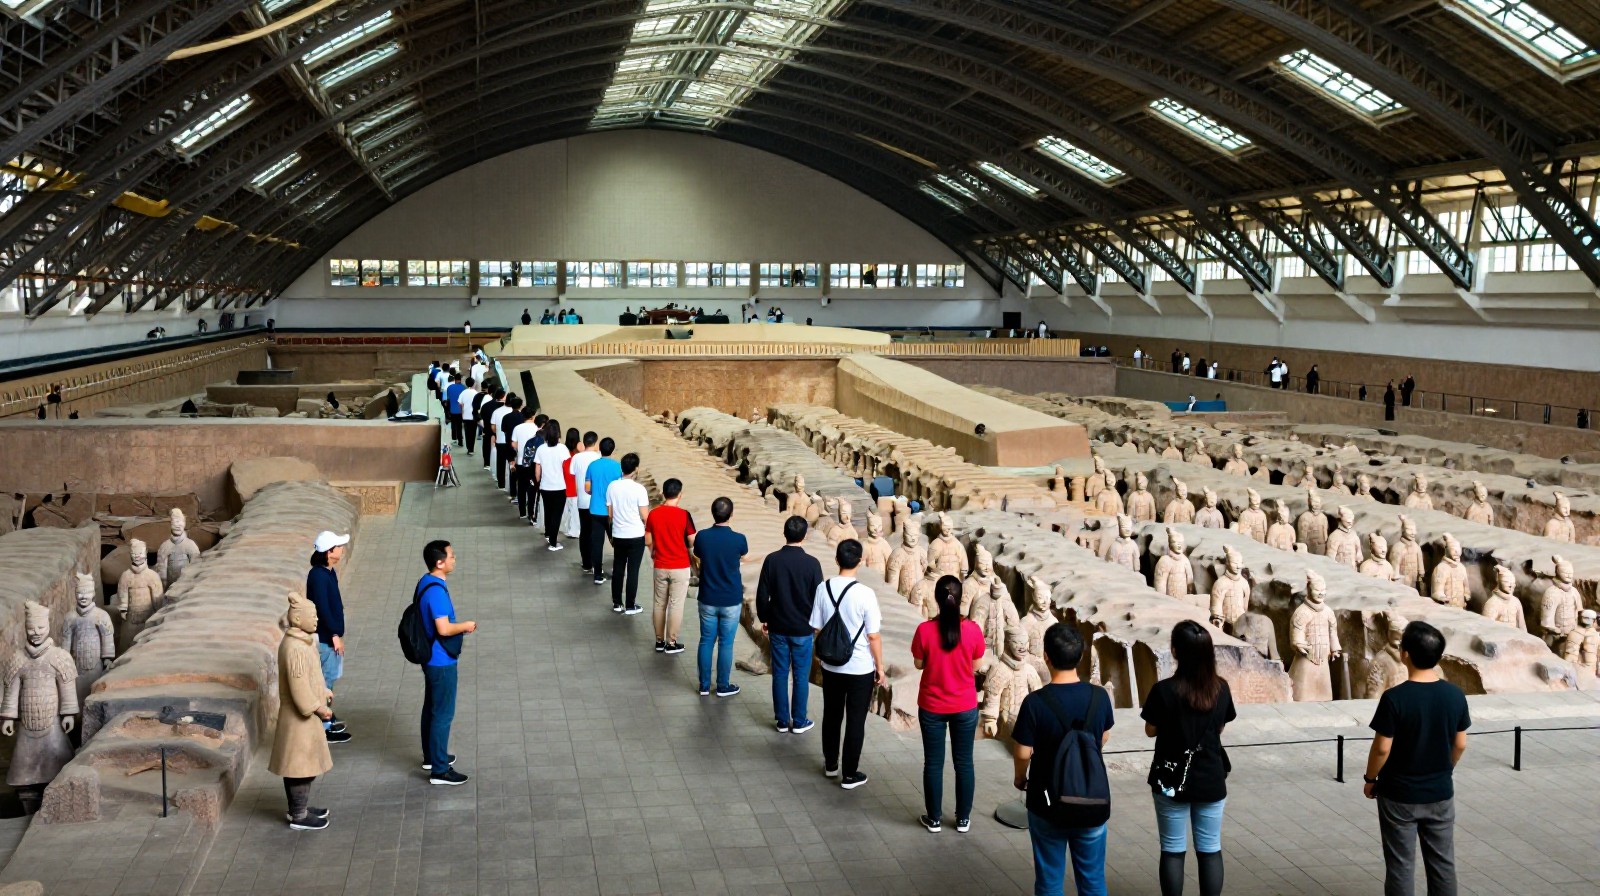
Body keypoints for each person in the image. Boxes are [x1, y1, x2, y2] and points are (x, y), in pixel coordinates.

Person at [1364, 621, 1469, 896]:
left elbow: (1382, 749)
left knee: (1400, 865)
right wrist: (1446, 768)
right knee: (1443, 864)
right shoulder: (1455, 695)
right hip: (1439, 792)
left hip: (1399, 794)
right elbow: (1460, 744)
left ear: (1405, 654)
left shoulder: (1394, 699)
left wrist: (1370, 778)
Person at [1011, 623, 1115, 896]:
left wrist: (1020, 778)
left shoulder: (1034, 703)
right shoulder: (1099, 697)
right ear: (1080, 656)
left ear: (1046, 656)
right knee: (1093, 880)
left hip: (1046, 799)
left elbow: (1022, 751)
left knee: (1049, 881)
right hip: (1091, 798)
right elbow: (1103, 737)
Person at [1142, 620, 1235, 896]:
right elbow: (1220, 727)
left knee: (1172, 849)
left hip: (1171, 778)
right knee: (1209, 849)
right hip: (1210, 777)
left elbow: (1150, 730)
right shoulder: (1222, 689)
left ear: (1175, 651)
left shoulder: (1164, 691)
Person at [911, 574, 984, 833]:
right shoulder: (973, 630)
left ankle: (934, 819)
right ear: (962, 597)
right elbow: (976, 666)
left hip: (932, 706)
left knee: (933, 763)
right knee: (964, 762)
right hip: (964, 705)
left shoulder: (924, 630)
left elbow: (919, 664)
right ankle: (963, 819)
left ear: (937, 599)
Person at [809, 539, 883, 790]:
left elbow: (817, 629)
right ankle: (850, 774)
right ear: (860, 561)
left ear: (837, 560)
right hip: (860, 667)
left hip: (832, 666)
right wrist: (880, 667)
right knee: (855, 720)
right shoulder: (866, 594)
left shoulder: (823, 588)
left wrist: (820, 655)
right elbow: (873, 636)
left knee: (831, 715)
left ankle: (831, 765)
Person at [270, 589, 334, 830]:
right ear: (297, 619)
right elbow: (299, 687)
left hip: (304, 719)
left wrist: (323, 690)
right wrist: (317, 707)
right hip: (299, 719)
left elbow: (311, 676)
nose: (316, 619)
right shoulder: (295, 648)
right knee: (299, 767)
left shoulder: (302, 642)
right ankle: (298, 815)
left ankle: (300, 807)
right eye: (312, 615)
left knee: (304, 765)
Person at [756, 515, 824, 734]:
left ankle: (782, 720)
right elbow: (818, 598)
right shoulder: (812, 564)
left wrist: (764, 618)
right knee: (801, 676)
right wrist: (816, 623)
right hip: (803, 628)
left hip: (778, 625)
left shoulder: (772, 560)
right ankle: (800, 720)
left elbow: (762, 594)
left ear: (784, 533)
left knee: (780, 673)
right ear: (804, 535)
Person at [417, 541, 475, 785]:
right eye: (451, 556)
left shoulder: (425, 582)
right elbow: (444, 628)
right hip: (441, 660)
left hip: (430, 657)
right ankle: (440, 770)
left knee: (431, 707)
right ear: (439, 562)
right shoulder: (437, 592)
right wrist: (466, 626)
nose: (454, 559)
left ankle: (432, 756)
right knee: (443, 713)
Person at [693, 496, 747, 697]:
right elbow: (742, 555)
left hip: (707, 595)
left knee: (706, 640)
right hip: (731, 599)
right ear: (731, 514)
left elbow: (698, 555)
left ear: (712, 513)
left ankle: (704, 685)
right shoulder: (739, 539)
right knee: (726, 642)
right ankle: (723, 685)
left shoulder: (702, 537)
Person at [305, 531, 353, 744]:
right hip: (325, 639)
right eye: (338, 547)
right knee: (325, 682)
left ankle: (327, 719)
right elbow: (322, 609)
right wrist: (334, 634)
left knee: (329, 680)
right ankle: (323, 727)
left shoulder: (327, 572)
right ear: (329, 552)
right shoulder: (318, 576)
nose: (342, 549)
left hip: (330, 635)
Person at [644, 478, 696, 653]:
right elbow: (691, 539)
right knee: (676, 604)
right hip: (680, 566)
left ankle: (659, 641)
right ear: (680, 495)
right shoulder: (684, 515)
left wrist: (653, 553)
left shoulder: (654, 514)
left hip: (660, 564)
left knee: (659, 603)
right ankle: (671, 643)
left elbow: (648, 540)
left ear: (663, 494)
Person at [605, 453, 650, 614]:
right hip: (636, 535)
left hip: (618, 534)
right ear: (636, 469)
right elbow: (645, 517)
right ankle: (630, 605)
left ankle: (617, 603)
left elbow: (610, 513)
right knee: (633, 571)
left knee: (618, 568)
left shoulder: (612, 486)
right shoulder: (639, 489)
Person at [583, 438, 622, 588]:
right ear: (612, 449)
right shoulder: (617, 467)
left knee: (597, 543)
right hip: (612, 512)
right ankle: (617, 570)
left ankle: (598, 574)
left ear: (600, 448)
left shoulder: (592, 466)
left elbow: (587, 488)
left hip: (595, 510)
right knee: (616, 542)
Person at [532, 420, 571, 550]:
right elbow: (567, 468)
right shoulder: (563, 449)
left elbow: (537, 468)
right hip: (560, 486)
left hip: (545, 486)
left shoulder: (541, 449)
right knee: (556, 514)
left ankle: (548, 534)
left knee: (548, 511)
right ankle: (553, 542)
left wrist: (538, 482)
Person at [570, 432, 601, 575]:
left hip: (581, 500)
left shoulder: (576, 457)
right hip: (596, 501)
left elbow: (573, 473)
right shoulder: (598, 457)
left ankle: (586, 563)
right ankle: (596, 563)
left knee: (585, 531)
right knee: (596, 533)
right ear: (595, 442)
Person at [509, 408, 542, 519]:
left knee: (522, 486)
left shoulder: (517, 428)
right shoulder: (536, 428)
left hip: (520, 461)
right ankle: (531, 512)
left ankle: (522, 511)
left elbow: (513, 444)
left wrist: (520, 450)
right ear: (533, 416)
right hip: (533, 462)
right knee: (532, 487)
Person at [491, 394, 520, 490]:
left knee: (501, 463)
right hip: (514, 443)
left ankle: (501, 484)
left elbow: (493, 428)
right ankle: (513, 488)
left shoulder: (497, 411)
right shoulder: (520, 415)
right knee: (513, 464)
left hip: (501, 441)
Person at [559, 427, 582, 540]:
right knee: (575, 511)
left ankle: (567, 528)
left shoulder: (563, 450)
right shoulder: (579, 454)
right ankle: (574, 531)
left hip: (564, 483)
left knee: (566, 509)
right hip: (575, 485)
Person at [458, 377, 479, 456]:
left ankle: (468, 448)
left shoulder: (463, 392)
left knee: (467, 432)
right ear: (473, 383)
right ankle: (471, 449)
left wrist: (462, 411)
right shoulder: (476, 393)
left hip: (465, 415)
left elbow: (460, 403)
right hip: (474, 416)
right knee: (473, 433)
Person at [445, 372, 465, 446]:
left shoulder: (449, 387)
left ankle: (454, 438)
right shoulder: (463, 388)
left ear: (454, 379)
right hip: (460, 410)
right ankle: (460, 441)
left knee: (453, 424)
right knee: (459, 426)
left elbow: (448, 399)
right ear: (460, 379)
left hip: (452, 409)